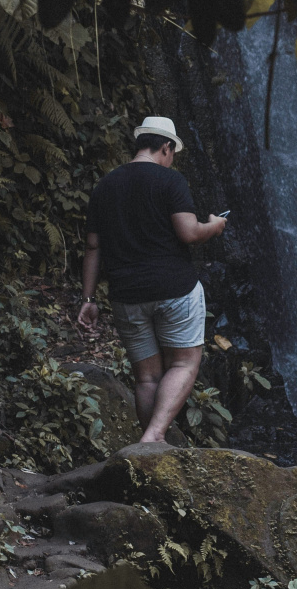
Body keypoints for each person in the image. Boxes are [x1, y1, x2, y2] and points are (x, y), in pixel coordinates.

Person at [76, 116, 227, 443]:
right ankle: (155, 435)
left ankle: (152, 444)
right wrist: (213, 227)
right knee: (185, 364)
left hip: (127, 295)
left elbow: (92, 246)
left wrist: (88, 300)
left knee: (146, 378)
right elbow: (188, 233)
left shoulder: (105, 186)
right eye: (172, 152)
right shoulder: (170, 180)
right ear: (166, 147)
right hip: (175, 289)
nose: (172, 158)